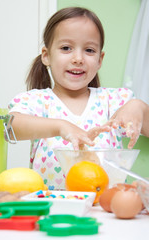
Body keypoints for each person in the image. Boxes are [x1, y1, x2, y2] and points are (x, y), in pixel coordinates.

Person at [8, 7, 149, 190]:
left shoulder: (113, 101)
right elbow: (11, 127)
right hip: (53, 209)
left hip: (105, 212)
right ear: (46, 56)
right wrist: (61, 126)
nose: (78, 58)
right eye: (66, 48)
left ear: (100, 60)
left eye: (89, 50)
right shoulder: (38, 101)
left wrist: (138, 107)